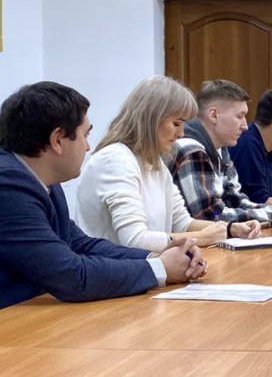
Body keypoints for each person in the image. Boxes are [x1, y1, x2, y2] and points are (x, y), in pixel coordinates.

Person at [0, 81, 205, 310]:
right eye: (85, 136)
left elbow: (79, 244)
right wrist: (161, 268)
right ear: (58, 140)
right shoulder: (8, 185)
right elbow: (70, 276)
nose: (88, 147)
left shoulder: (41, 180)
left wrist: (154, 257)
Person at [78, 76, 261, 251]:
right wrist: (202, 238)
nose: (181, 133)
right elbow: (136, 240)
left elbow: (183, 223)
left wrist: (232, 228)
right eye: (176, 123)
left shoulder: (155, 163)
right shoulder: (115, 160)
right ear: (152, 119)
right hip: (111, 270)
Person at [165, 80, 272, 227]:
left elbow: (235, 200)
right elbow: (212, 216)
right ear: (214, 115)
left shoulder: (221, 149)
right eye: (239, 116)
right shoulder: (191, 149)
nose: (245, 126)